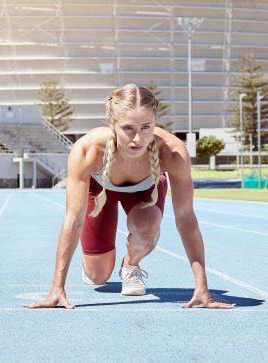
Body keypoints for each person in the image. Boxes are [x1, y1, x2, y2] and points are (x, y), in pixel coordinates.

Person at [25, 84, 232, 309]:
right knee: (98, 276)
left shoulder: (172, 152)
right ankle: (93, 260)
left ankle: (130, 265)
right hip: (100, 189)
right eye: (128, 128)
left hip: (145, 191)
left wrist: (202, 287)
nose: (137, 139)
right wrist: (57, 288)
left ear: (155, 122)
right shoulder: (87, 151)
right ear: (111, 123)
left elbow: (186, 219)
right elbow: (73, 219)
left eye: (146, 127)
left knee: (148, 229)